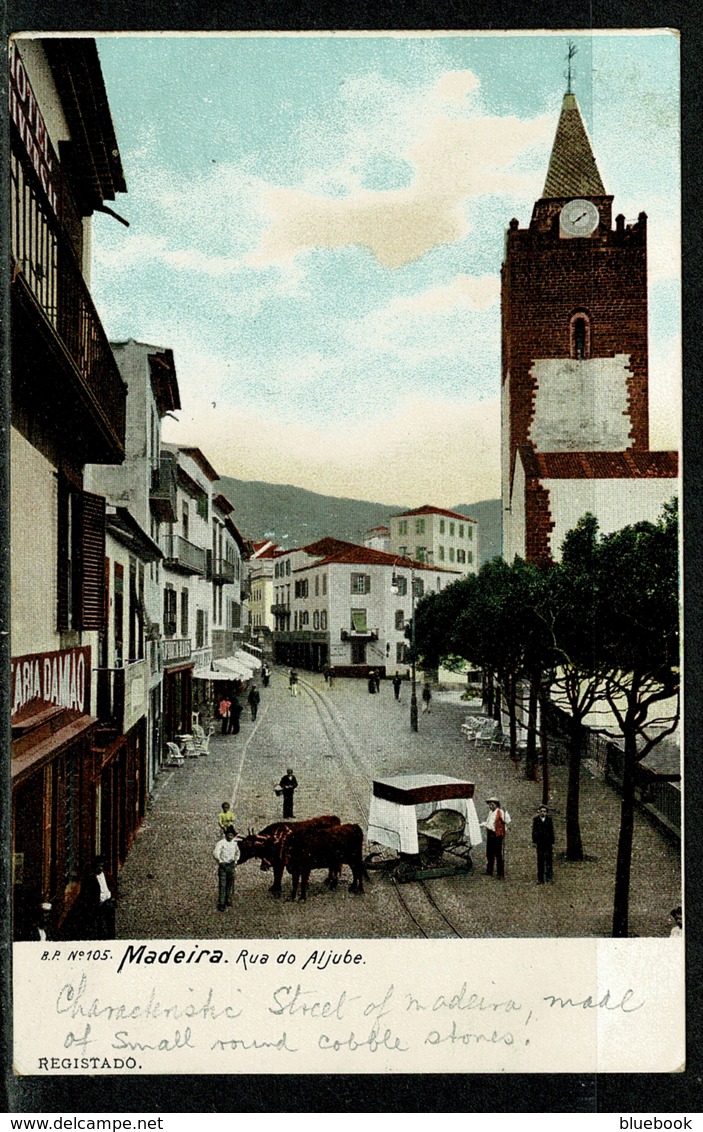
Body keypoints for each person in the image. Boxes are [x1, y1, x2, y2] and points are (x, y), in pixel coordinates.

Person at [81, 856, 116, 938]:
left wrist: (113, 897)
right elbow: (86, 894)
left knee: (110, 922)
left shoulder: (107, 875)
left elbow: (114, 886)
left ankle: (111, 938)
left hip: (108, 901)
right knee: (100, 925)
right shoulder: (89, 879)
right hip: (98, 904)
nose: (100, 868)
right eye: (98, 866)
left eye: (101, 866)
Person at [480, 796, 511, 879]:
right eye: (490, 804)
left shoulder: (500, 812)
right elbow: (488, 822)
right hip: (490, 834)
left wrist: (506, 814)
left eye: (492, 804)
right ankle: (489, 870)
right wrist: (482, 824)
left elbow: (507, 821)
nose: (491, 806)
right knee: (489, 853)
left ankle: (500, 873)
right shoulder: (490, 812)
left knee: (498, 854)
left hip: (497, 835)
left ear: (497, 805)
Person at [213, 827, 239, 911]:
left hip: (231, 866)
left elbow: (237, 853)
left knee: (230, 884)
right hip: (223, 866)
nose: (230, 837)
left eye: (232, 835)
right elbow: (216, 853)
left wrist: (236, 861)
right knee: (223, 885)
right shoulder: (221, 843)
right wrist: (220, 861)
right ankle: (221, 903)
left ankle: (228, 900)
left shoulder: (234, 844)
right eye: (229, 835)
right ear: (226, 835)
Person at [531, 804, 555, 884]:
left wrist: (552, 842)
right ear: (539, 812)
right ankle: (540, 878)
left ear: (546, 812)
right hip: (540, 843)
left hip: (548, 843)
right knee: (540, 860)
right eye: (541, 811)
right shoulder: (536, 820)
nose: (542, 813)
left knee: (549, 860)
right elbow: (534, 831)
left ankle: (549, 877)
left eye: (544, 811)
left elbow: (551, 831)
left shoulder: (549, 820)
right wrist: (534, 841)